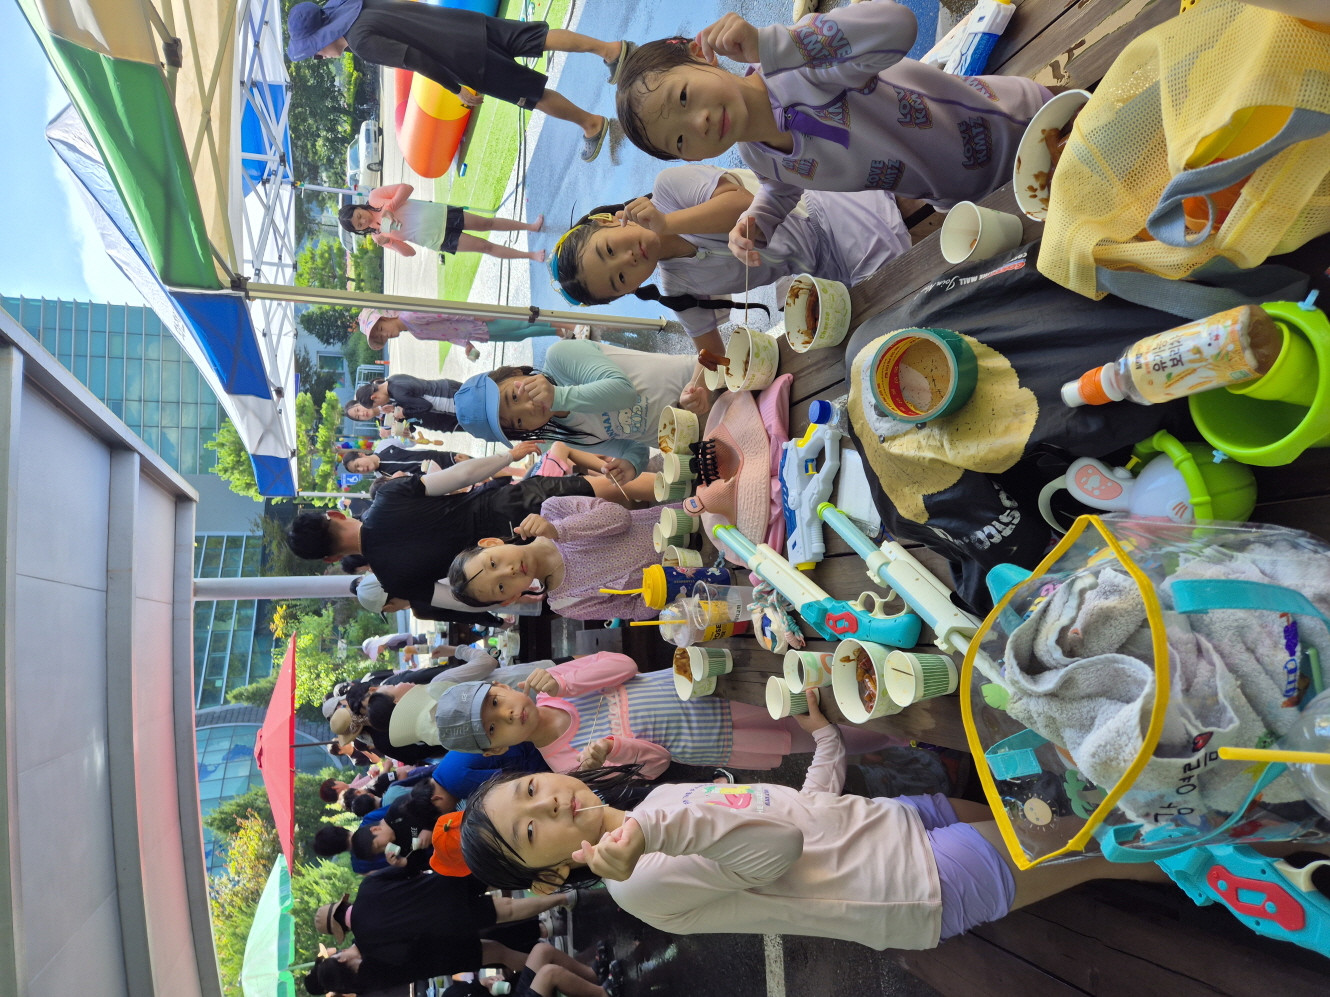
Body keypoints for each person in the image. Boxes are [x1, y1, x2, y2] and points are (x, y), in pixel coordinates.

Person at [459, 689, 1180, 950]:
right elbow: (778, 848)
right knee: (1102, 846)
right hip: (911, 885)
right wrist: (654, 836)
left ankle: (1196, 825)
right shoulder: (638, 884)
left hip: (896, 822)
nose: (547, 804)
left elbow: (796, 812)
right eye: (531, 831)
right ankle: (1225, 845)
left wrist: (826, 740)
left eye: (531, 790)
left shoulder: (649, 805)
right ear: (548, 874)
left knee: (1071, 818)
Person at [613, 3, 1049, 264]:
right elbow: (781, 185)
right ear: (690, 159)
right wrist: (758, 221)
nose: (698, 123)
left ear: (700, 54)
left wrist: (774, 45)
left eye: (684, 97)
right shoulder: (755, 154)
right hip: (964, 199)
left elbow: (897, 25)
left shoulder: (799, 64)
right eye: (680, 140)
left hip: (1016, 129)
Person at [550, 164, 910, 358]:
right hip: (821, 273)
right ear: (629, 291)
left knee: (893, 313)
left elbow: (742, 205)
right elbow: (710, 352)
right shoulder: (677, 286)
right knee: (861, 350)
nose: (628, 259)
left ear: (607, 221)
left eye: (609, 250)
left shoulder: (670, 189)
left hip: (829, 209)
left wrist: (667, 224)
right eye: (619, 279)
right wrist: (700, 383)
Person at [429, 653, 897, 777]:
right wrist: (615, 749)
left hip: (714, 692)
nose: (508, 714)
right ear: (497, 749)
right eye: (494, 727)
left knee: (815, 692)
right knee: (825, 735)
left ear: (501, 686)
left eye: (495, 701)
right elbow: (656, 764)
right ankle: (902, 736)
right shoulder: (568, 764)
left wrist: (566, 681)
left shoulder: (555, 686)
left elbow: (624, 666)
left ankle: (893, 696)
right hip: (721, 741)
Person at [286, 0, 635, 161]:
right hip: (466, 25)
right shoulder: (360, 5)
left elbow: (416, 59)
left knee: (532, 94)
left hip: (466, 60)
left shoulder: (362, 42)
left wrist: (457, 89)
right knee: (537, 37)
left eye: (315, 53)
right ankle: (611, 50)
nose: (320, 57)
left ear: (321, 40)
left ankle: (592, 124)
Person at [285, 448, 644, 604]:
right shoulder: (388, 497)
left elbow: (462, 598)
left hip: (517, 562)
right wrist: (508, 456)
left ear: (330, 558)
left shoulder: (394, 582)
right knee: (621, 490)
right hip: (510, 506)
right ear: (333, 515)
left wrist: (508, 592)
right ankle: (677, 487)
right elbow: (462, 474)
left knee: (613, 557)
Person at [454, 339, 709, 479]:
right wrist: (631, 464)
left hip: (706, 383)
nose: (528, 408)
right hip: (696, 435)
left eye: (513, 396)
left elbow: (623, 392)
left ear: (515, 372)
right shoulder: (568, 433)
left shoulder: (561, 357)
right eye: (518, 422)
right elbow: (632, 445)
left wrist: (558, 397)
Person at [448, 500, 667, 621]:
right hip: (684, 577)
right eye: (501, 587)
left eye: (493, 564)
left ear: (492, 543)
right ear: (510, 599)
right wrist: (666, 586)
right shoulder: (566, 604)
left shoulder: (553, 512)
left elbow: (620, 517)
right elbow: (633, 610)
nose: (509, 572)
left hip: (679, 523)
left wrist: (559, 530)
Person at [340, 185, 548, 263]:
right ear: (359, 231)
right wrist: (390, 242)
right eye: (359, 225)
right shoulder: (378, 236)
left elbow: (407, 188)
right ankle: (530, 255)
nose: (363, 220)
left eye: (359, 216)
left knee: (487, 223)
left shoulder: (375, 197)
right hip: (438, 239)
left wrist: (390, 207)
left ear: (358, 207)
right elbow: (410, 253)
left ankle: (530, 227)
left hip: (441, 214)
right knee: (485, 247)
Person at [357, 308, 576, 359]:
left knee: (521, 323)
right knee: (520, 334)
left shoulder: (411, 316)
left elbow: (446, 313)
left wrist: (477, 314)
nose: (386, 335)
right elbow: (446, 334)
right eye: (382, 337)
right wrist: (466, 344)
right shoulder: (415, 332)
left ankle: (569, 324)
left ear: (385, 317)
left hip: (478, 322)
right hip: (478, 332)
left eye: (382, 329)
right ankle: (558, 330)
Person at [342, 443, 459, 478]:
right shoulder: (383, 478)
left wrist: (407, 434)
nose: (362, 469)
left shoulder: (385, 445)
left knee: (468, 462)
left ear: (361, 454)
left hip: (442, 457)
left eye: (358, 465)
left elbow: (411, 443)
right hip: (439, 477)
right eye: (358, 471)